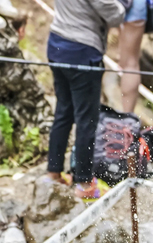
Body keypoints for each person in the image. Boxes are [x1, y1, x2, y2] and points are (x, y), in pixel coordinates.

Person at [45, 0, 125, 199]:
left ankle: (53, 172)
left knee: (64, 110)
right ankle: (84, 182)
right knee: (86, 119)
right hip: (81, 50)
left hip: (57, 42)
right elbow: (114, 14)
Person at [118, 0, 147, 114]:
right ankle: (127, 115)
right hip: (134, 6)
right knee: (131, 64)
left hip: (107, 5)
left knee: (123, 61)